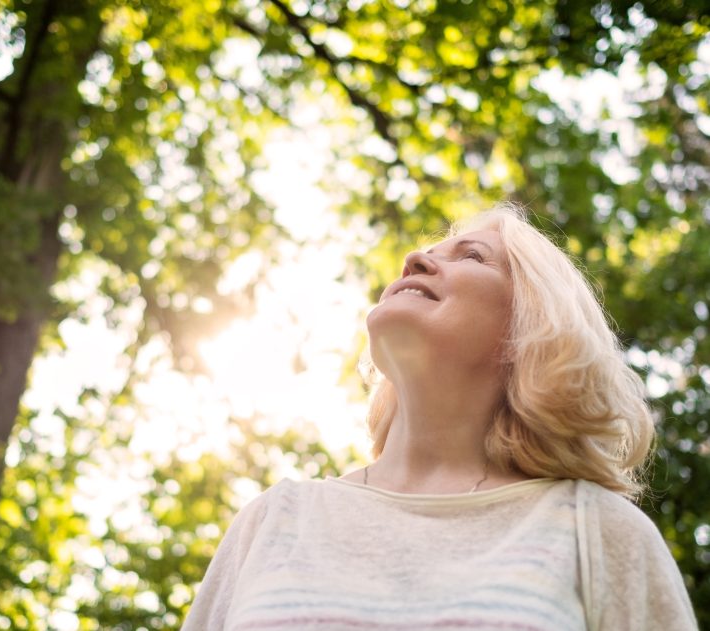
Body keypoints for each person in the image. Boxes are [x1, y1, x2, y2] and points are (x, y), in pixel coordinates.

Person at [181, 204, 698, 630]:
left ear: (532, 326)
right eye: (425, 253)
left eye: (472, 256)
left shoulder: (596, 529)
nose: (413, 260)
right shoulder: (277, 518)